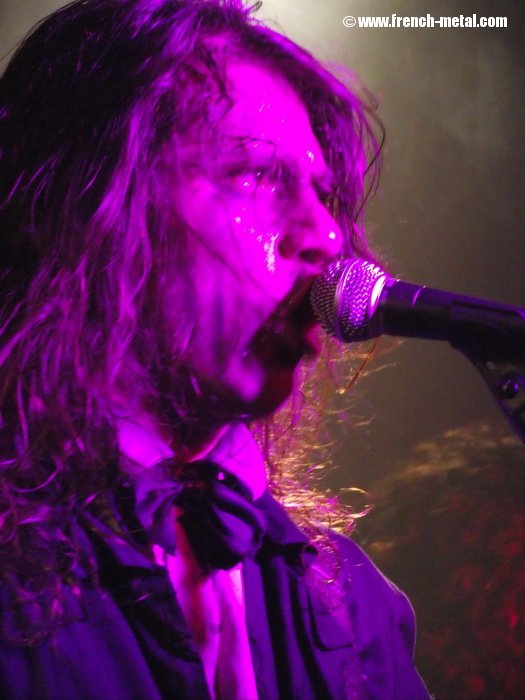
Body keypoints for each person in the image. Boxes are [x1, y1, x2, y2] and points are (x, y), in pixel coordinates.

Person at [0, 1, 430, 698]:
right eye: (256, 174)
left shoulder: (353, 605)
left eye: (323, 195)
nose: (328, 236)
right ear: (86, 202)